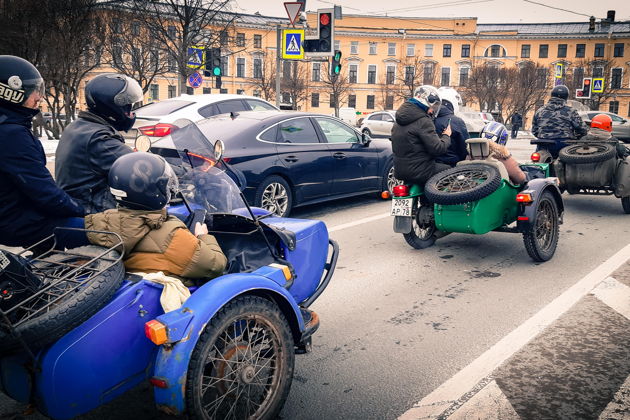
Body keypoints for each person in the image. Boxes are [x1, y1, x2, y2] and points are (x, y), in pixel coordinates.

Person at [84, 152, 227, 280]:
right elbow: (216, 265)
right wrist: (203, 236)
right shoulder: (171, 236)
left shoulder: (100, 223)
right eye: (166, 186)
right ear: (154, 191)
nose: (170, 189)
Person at [0, 55, 86, 250]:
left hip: (14, 215)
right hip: (17, 222)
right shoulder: (11, 134)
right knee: (104, 234)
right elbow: (44, 193)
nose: (39, 97)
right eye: (33, 91)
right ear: (11, 93)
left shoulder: (9, 126)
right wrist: (83, 211)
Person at [55, 73, 143, 214]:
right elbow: (140, 168)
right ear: (110, 105)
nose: (130, 111)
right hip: (94, 215)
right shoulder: (99, 139)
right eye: (126, 105)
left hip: (78, 204)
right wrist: (178, 171)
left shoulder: (80, 125)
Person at [391, 85, 452, 187]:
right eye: (433, 107)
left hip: (399, 171)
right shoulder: (424, 121)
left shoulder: (398, 120)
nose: (432, 111)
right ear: (426, 104)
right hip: (421, 171)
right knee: (449, 171)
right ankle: (435, 202)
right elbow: (437, 148)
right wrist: (446, 136)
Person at [531, 85, 587, 158]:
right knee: (574, 163)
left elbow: (534, 130)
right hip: (564, 145)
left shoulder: (539, 111)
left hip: (543, 143)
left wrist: (545, 136)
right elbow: (581, 129)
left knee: (537, 162)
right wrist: (578, 136)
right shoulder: (571, 111)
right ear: (566, 97)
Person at [435, 87, 469, 167]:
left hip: (429, 167)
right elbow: (465, 148)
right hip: (451, 169)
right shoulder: (457, 122)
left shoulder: (427, 118)